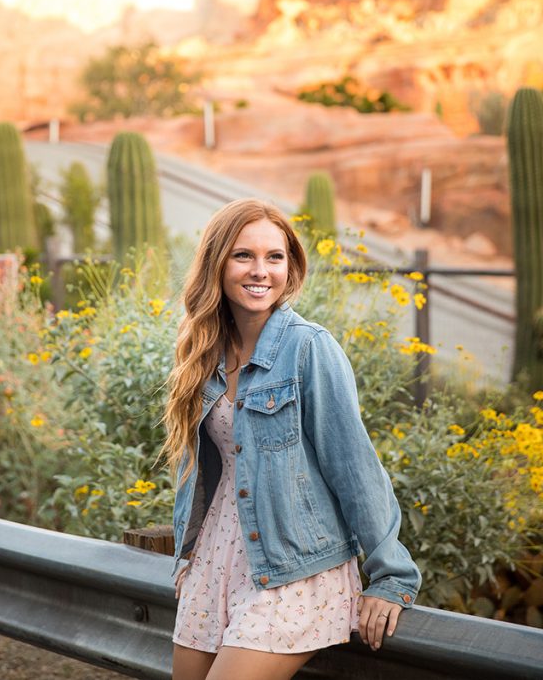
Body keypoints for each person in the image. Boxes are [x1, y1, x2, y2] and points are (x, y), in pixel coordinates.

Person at [159, 198, 422, 680]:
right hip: (215, 560)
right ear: (217, 263)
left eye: (274, 257)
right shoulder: (205, 351)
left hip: (294, 567)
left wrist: (390, 577)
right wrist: (187, 551)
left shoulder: (310, 348)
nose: (261, 271)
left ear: (290, 267)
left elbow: (355, 466)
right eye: (243, 256)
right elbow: (198, 463)